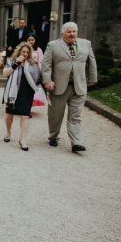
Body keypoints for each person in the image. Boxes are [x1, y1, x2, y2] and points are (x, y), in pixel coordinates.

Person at [42, 22, 97, 152]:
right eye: (69, 32)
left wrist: (92, 78)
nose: (72, 34)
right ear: (63, 33)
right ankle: (53, 136)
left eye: (74, 32)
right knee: (56, 115)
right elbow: (46, 65)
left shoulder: (86, 44)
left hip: (79, 85)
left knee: (75, 116)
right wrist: (47, 81)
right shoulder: (53, 45)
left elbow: (91, 61)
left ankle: (76, 142)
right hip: (58, 86)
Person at [2, 42, 41, 151]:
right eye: (23, 51)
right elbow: (5, 73)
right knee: (9, 114)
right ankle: (8, 132)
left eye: (27, 52)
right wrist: (16, 64)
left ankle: (23, 139)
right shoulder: (11, 61)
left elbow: (37, 77)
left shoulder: (33, 63)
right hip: (13, 92)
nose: (25, 54)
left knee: (25, 115)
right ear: (19, 51)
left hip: (26, 92)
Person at [27, 34, 47, 108]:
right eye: (29, 40)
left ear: (35, 40)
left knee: (32, 87)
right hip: (25, 69)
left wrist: (42, 72)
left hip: (35, 70)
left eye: (32, 40)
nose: (31, 41)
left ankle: (29, 107)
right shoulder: (24, 48)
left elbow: (40, 61)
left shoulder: (38, 50)